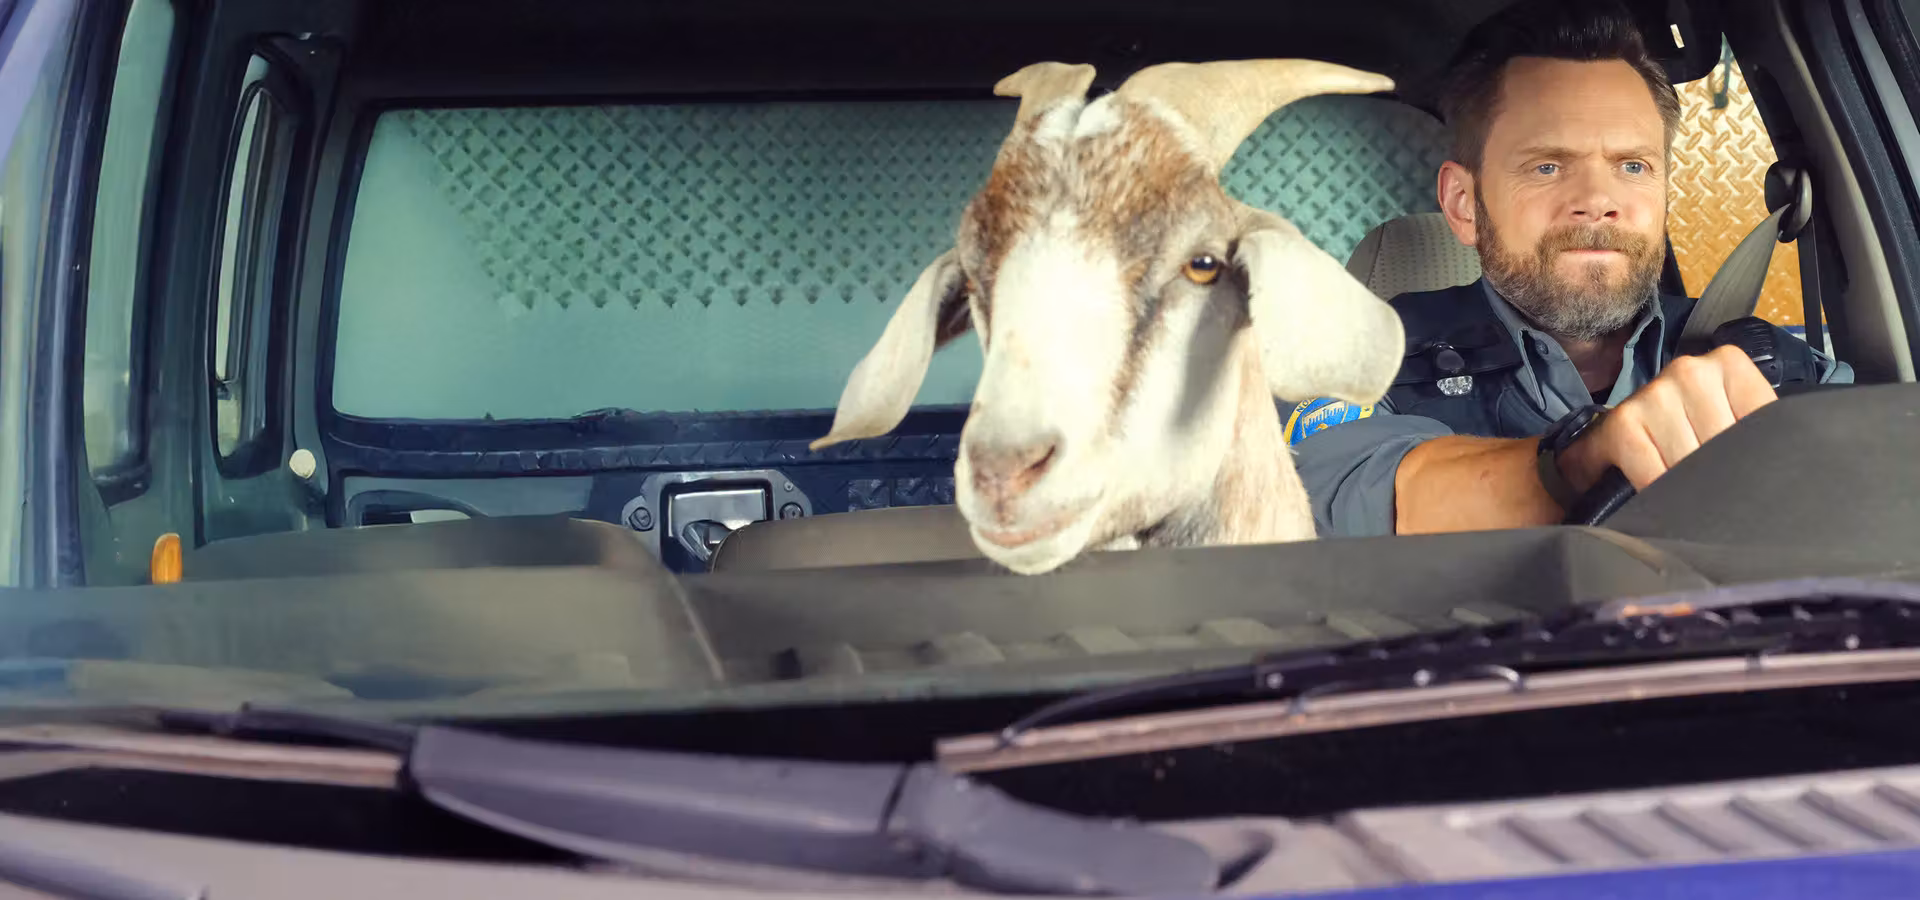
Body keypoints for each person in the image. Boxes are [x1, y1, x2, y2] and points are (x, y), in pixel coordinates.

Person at [1290, 0, 1851, 538]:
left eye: (1633, 166)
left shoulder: (1762, 366)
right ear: (1464, 204)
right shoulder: (1352, 361)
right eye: (1548, 166)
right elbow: (1341, 491)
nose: (1598, 201)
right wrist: (1577, 465)